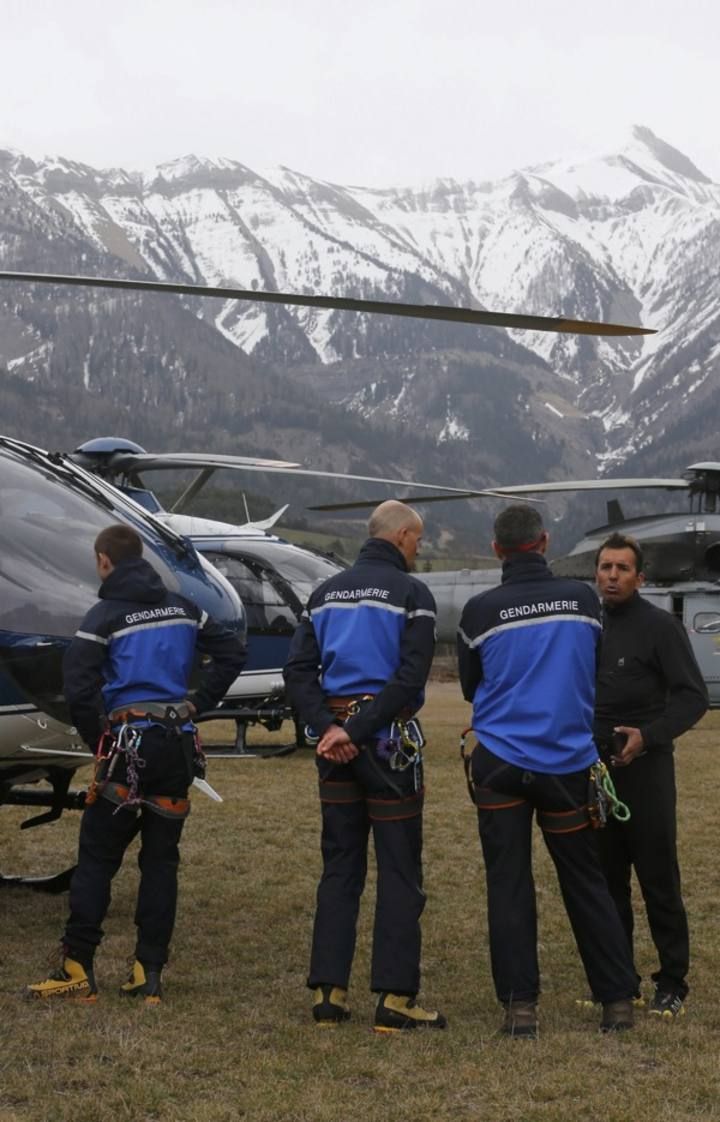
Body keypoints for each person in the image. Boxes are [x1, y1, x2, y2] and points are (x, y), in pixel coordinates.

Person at [27, 523, 246, 1004]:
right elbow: (233, 651)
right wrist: (197, 704)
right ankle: (147, 974)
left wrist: (100, 744)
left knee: (97, 861)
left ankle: (77, 968)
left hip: (127, 750)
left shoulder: (104, 616)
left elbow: (80, 687)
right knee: (161, 863)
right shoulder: (186, 609)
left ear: (103, 560)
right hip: (178, 747)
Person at [457, 504, 638, 1038]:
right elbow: (594, 662)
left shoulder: (479, 610)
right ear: (545, 542)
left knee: (508, 884)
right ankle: (616, 1001)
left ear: (497, 550)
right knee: (585, 880)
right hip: (567, 764)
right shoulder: (584, 600)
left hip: (501, 763)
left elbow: (471, 687)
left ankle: (520, 1009)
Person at [283, 500, 446, 1032]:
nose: (418, 550)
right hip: (386, 746)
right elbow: (409, 678)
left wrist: (328, 730)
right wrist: (356, 730)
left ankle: (328, 994)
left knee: (339, 867)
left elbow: (298, 670)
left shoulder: (324, 594)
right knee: (399, 870)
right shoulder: (412, 596)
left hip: (335, 750)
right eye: (418, 541)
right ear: (401, 536)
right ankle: (395, 1000)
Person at [594, 532, 708, 1018]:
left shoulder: (660, 628)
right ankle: (622, 981)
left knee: (658, 879)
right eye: (605, 567)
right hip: (595, 773)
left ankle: (673, 981)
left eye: (622, 568)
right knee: (606, 880)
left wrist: (649, 736)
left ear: (640, 577)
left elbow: (692, 696)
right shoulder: (586, 627)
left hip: (648, 772)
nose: (612, 576)